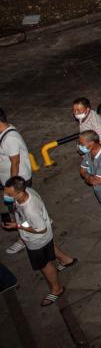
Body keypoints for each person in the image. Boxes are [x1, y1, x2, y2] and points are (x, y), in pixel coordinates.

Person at [2, 177, 75, 307]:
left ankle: (57, 289)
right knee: (49, 245)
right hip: (45, 236)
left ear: (20, 192)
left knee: (44, 264)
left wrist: (17, 226)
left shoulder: (30, 209)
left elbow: (40, 229)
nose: (6, 196)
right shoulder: (28, 190)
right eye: (5, 192)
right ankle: (66, 260)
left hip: (37, 240)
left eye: (9, 194)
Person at [0, 109, 32, 255]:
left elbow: (15, 163)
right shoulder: (3, 135)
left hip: (16, 184)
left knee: (20, 212)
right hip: (7, 182)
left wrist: (11, 188)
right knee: (16, 210)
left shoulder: (10, 138)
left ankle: (25, 238)